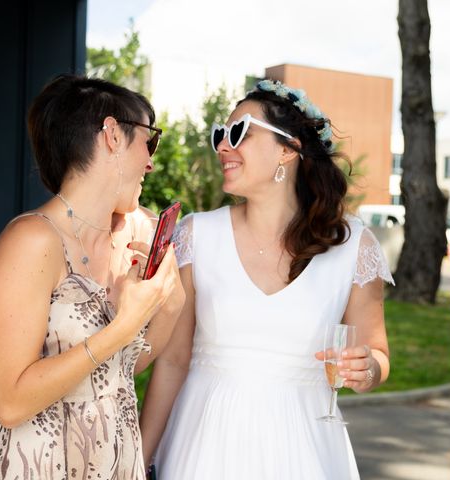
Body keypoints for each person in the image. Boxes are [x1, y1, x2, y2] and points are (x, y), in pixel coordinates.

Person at [139, 79, 393, 479]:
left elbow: (377, 352)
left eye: (239, 132)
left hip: (304, 450)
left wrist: (370, 369)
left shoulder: (353, 246)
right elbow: (172, 361)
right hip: (203, 443)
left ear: (288, 151)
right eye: (220, 134)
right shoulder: (195, 234)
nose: (223, 146)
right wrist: (138, 461)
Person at [0, 74, 184, 480]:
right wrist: (123, 325)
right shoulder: (33, 240)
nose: (151, 161)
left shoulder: (137, 230)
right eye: (150, 139)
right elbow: (9, 402)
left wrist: (170, 301)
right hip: (44, 464)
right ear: (111, 134)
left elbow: (124, 368)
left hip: (116, 459)